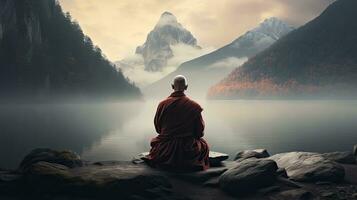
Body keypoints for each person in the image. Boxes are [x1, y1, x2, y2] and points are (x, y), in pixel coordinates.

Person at [146, 75, 210, 171]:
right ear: (186, 87)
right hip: (188, 149)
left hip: (165, 148)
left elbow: (158, 128)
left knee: (156, 146)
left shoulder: (162, 104)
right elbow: (200, 132)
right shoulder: (194, 106)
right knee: (204, 145)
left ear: (172, 86)